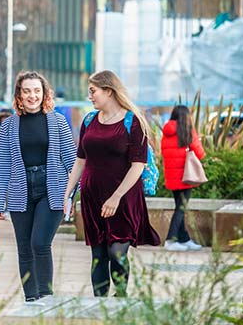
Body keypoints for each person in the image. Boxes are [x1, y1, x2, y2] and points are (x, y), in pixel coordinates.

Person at [63, 70, 160, 297]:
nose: (90, 97)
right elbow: (80, 161)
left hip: (124, 198)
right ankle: (99, 305)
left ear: (109, 91)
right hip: (92, 198)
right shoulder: (89, 120)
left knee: (117, 253)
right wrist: (67, 194)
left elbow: (138, 165)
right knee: (98, 255)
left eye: (93, 91)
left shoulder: (133, 121)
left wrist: (116, 197)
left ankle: (121, 297)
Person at [0, 71, 77, 302]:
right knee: (24, 247)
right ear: (19, 94)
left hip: (53, 189)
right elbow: (2, 165)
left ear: (44, 93)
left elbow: (73, 162)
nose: (32, 96)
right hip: (21, 190)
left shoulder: (58, 121)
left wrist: (70, 196)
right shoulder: (9, 126)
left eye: (37, 91)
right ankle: (31, 297)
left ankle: (46, 295)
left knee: (40, 242)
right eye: (27, 91)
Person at [161, 105, 205, 251]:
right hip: (185, 176)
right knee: (180, 209)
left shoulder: (166, 132)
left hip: (172, 176)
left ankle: (184, 239)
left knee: (179, 207)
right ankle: (170, 240)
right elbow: (200, 153)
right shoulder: (187, 131)